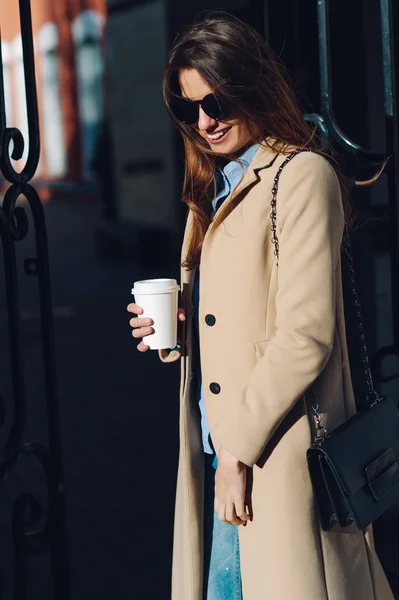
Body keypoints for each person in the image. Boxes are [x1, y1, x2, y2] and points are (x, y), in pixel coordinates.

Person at [127, 11, 394, 600]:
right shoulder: (213, 192)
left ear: (250, 82)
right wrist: (180, 325)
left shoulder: (300, 176)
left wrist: (236, 454)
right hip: (219, 456)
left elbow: (304, 336)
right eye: (187, 108)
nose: (205, 121)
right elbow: (237, 317)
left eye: (216, 100)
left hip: (268, 455)